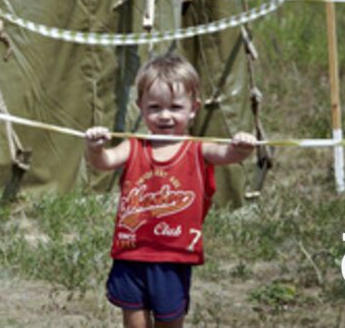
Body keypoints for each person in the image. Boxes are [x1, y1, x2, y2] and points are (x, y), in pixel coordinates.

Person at [85, 53, 256, 328]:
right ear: (140, 107)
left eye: (175, 107)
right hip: (132, 253)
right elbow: (103, 163)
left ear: (193, 108)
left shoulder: (198, 148)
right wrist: (94, 148)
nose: (165, 115)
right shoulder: (133, 146)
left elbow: (228, 154)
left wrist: (242, 146)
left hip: (173, 256)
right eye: (154, 107)